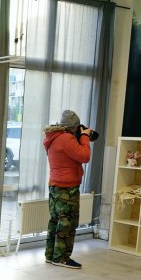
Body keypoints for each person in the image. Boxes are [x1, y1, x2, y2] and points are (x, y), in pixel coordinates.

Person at [43, 109, 92, 269]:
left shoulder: (54, 137)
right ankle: (61, 258)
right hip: (67, 187)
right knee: (67, 222)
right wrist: (84, 137)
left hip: (55, 185)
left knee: (56, 220)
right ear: (74, 127)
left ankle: (51, 255)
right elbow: (84, 156)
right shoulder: (66, 139)